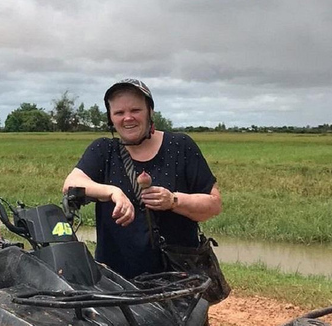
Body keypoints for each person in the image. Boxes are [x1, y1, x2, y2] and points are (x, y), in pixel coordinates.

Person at [63, 78, 221, 279]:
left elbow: (214, 205)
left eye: (135, 110)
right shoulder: (104, 150)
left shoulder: (180, 146)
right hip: (116, 280)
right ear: (110, 118)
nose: (128, 118)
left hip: (178, 278)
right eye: (119, 113)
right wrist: (113, 192)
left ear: (150, 112)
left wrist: (173, 201)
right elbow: (71, 185)